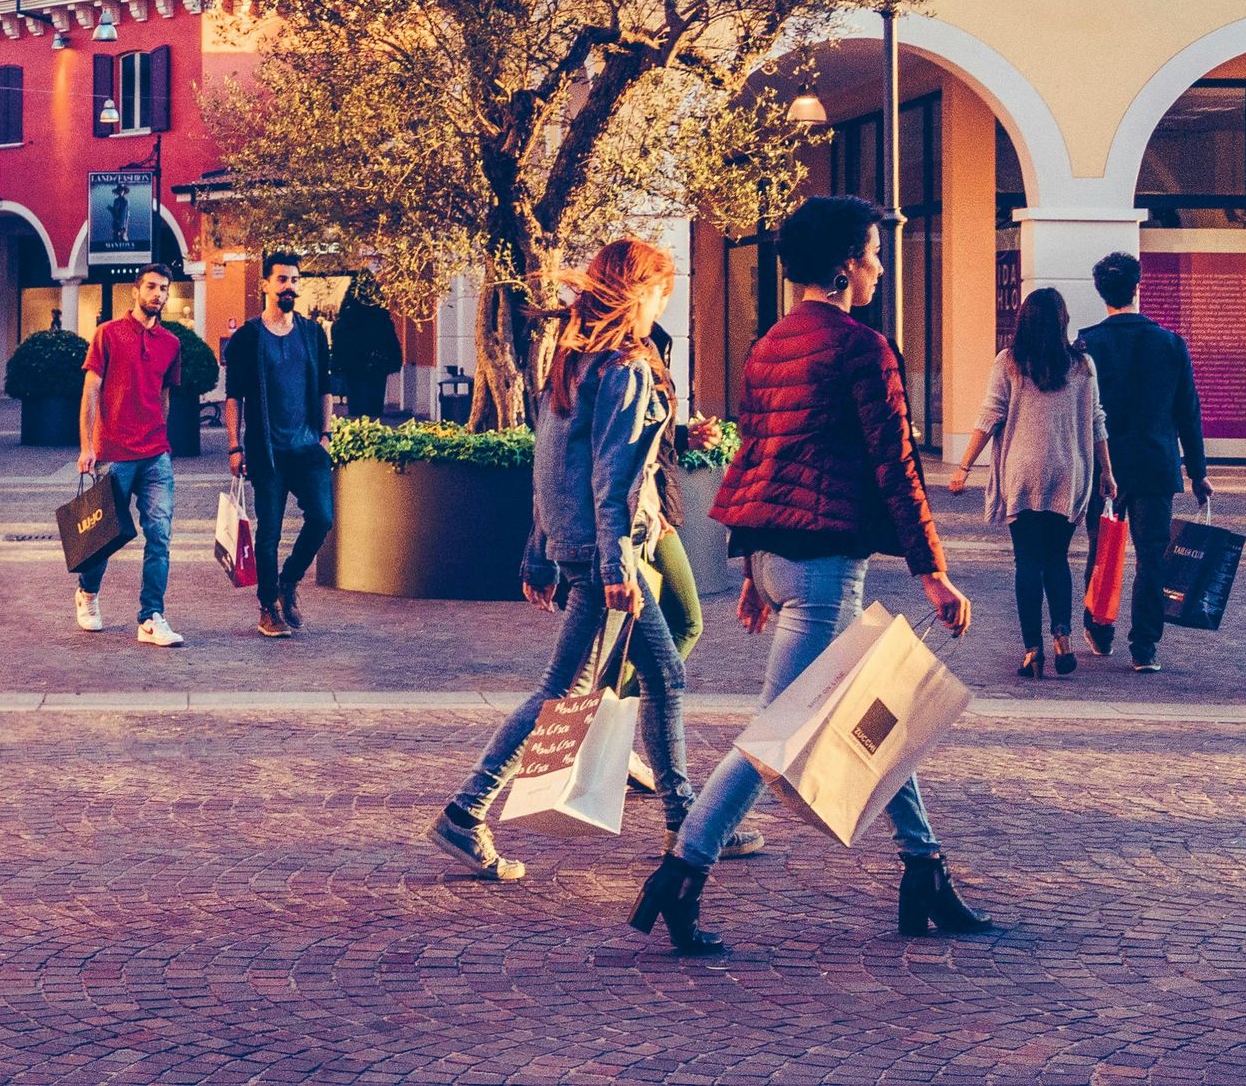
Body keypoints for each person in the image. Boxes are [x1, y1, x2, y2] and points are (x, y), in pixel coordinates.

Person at [629, 196, 988, 954]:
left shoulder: (768, 348)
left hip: (779, 556)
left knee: (872, 705)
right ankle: (680, 870)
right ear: (842, 265)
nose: (879, 265)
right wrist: (933, 571)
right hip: (824, 567)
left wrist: (756, 573)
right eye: (871, 252)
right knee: (772, 735)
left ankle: (924, 867)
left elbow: (758, 459)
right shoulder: (862, 348)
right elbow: (896, 467)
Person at [433, 238, 691, 885]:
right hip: (606, 553)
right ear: (639, 292)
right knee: (572, 691)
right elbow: (615, 479)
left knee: (652, 677)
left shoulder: (572, 362)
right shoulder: (625, 366)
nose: (665, 301)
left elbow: (547, 468)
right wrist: (616, 568)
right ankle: (466, 812)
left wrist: (539, 553)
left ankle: (686, 817)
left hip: (576, 548)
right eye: (661, 289)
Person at [947, 289, 1109, 679]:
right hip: (1067, 473)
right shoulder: (1082, 365)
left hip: (1022, 472)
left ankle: (1032, 652)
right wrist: (1108, 471)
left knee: (1027, 562)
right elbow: (1097, 420)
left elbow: (990, 416)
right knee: (1057, 559)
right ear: (1062, 322)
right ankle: (1063, 637)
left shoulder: (1010, 362)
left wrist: (964, 467)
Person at [1079, 249, 1211, 671]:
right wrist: (1199, 473)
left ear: (1102, 292)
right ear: (1138, 289)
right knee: (1152, 555)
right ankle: (1144, 648)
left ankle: (1099, 628)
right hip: (1155, 463)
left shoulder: (1087, 344)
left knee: (1102, 550)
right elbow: (1188, 412)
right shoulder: (1171, 343)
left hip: (1104, 467)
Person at [72, 264, 187, 646]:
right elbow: (91, 390)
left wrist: (163, 435)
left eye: (164, 289)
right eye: (151, 287)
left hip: (156, 453)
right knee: (103, 536)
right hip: (113, 452)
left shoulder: (171, 343)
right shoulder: (107, 335)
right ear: (136, 291)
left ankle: (151, 616)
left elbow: (166, 395)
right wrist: (87, 446)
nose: (158, 294)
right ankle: (88, 594)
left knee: (160, 534)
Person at [224, 250, 335, 638]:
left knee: (322, 518)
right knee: (267, 532)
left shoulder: (312, 333)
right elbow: (234, 396)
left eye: (294, 280)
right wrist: (234, 447)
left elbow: (325, 387)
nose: (289, 287)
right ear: (266, 285)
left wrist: (325, 436)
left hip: (308, 449)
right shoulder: (247, 338)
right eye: (282, 280)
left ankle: (289, 582)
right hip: (267, 451)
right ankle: (268, 606)